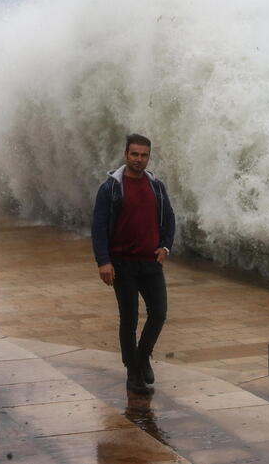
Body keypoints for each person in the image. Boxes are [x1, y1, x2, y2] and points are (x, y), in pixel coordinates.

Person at [91, 133, 175, 395]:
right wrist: (104, 261)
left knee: (159, 313)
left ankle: (142, 357)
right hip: (123, 263)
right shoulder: (111, 188)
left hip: (150, 263)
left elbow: (169, 219)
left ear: (149, 157)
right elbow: (99, 227)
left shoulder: (156, 187)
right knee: (129, 319)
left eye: (144, 155)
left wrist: (165, 246)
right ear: (126, 155)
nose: (139, 159)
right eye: (134, 154)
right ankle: (133, 373)